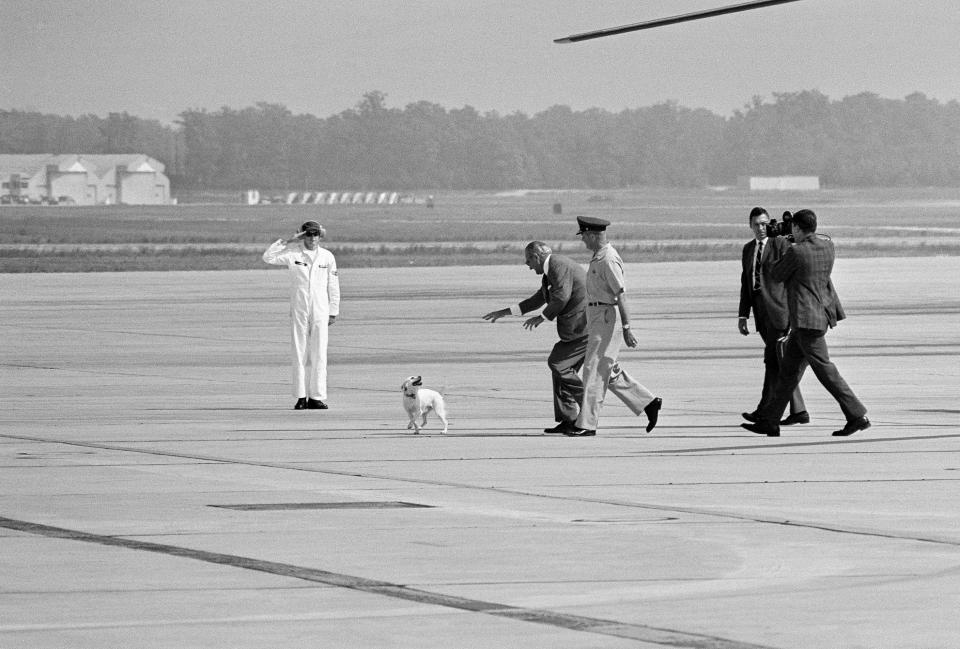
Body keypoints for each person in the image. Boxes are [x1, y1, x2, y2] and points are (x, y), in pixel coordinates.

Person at [742, 209, 870, 437]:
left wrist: (783, 244)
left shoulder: (797, 252)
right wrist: (791, 242)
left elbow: (776, 274)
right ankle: (770, 421)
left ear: (798, 229)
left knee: (826, 370)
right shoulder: (827, 246)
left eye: (793, 228)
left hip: (806, 321)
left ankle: (857, 415)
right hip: (817, 315)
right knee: (787, 373)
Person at [564, 216, 661, 437]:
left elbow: (621, 295)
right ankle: (648, 402)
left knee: (594, 370)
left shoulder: (608, 259)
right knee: (607, 368)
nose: (583, 241)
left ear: (592, 235)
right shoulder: (598, 257)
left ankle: (586, 424)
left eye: (584, 237)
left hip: (607, 317)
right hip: (598, 316)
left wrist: (627, 327)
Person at [483, 241, 589, 433]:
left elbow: (562, 297)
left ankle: (589, 407)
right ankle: (569, 419)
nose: (527, 264)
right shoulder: (551, 270)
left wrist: (542, 317)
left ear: (537, 256)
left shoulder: (558, 266)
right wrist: (505, 312)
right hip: (575, 330)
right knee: (560, 368)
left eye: (528, 259)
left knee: (559, 364)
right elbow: (538, 299)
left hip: (583, 328)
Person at [738, 207, 809, 426]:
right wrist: (743, 315)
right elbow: (746, 283)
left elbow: (794, 265)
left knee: (772, 362)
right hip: (761, 313)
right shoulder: (748, 249)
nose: (761, 228)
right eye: (757, 224)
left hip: (779, 312)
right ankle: (799, 411)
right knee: (781, 363)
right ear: (750, 225)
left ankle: (765, 411)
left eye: (764, 224)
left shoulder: (779, 244)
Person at [262, 220, 340, 410]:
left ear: (320, 236)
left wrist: (333, 310)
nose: (312, 238)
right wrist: (288, 240)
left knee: (319, 353)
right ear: (302, 235)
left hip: (320, 309)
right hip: (299, 308)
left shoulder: (327, 257)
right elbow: (268, 257)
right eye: (308, 234)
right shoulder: (293, 254)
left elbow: (333, 285)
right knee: (299, 352)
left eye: (315, 234)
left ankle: (316, 397)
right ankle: (300, 396)